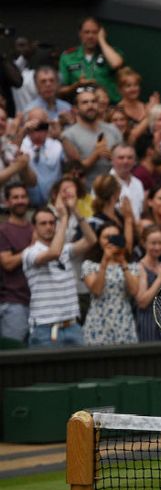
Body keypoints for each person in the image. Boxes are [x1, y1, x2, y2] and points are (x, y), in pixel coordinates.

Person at [23, 201, 97, 347]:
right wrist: (63, 219)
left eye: (52, 222)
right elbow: (54, 252)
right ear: (35, 227)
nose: (48, 226)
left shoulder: (66, 249)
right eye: (43, 223)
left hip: (72, 325)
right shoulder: (29, 253)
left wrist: (75, 211)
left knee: (79, 370)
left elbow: (91, 240)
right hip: (45, 328)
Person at [80, 221, 140, 346]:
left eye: (115, 237)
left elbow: (134, 291)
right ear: (99, 240)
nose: (110, 241)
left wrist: (123, 262)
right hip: (98, 323)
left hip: (123, 321)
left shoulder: (131, 265)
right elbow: (96, 291)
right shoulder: (89, 265)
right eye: (107, 237)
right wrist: (104, 263)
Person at [60, 84, 122, 186]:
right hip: (87, 193)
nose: (90, 105)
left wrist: (113, 157)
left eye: (93, 101)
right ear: (75, 109)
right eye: (85, 102)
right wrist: (96, 154)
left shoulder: (113, 129)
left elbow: (125, 159)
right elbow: (76, 171)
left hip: (114, 189)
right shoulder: (68, 135)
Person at [58, 18, 125, 104]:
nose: (90, 36)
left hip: (110, 108)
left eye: (95, 32)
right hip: (80, 109)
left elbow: (116, 64)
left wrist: (102, 41)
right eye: (87, 32)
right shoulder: (68, 56)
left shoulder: (110, 52)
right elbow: (60, 90)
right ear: (80, 34)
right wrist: (76, 85)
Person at [133, 224, 161, 342]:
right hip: (147, 322)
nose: (157, 247)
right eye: (153, 243)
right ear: (144, 243)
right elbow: (142, 302)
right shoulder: (140, 267)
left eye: (160, 243)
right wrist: (160, 278)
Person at [0, 184, 33, 343]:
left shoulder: (36, 228)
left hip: (38, 303)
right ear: (7, 202)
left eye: (23, 196)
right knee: (13, 355)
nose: (20, 201)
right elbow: (7, 263)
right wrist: (32, 249)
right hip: (14, 304)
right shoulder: (3, 230)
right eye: (15, 197)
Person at [19, 109, 61, 207]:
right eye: (33, 125)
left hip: (54, 205)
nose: (37, 129)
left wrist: (60, 135)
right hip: (25, 205)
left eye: (41, 125)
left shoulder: (57, 145)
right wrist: (22, 132)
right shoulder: (20, 145)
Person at [88, 174, 136, 256]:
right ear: (116, 194)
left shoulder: (119, 214)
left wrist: (130, 216)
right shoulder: (97, 222)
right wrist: (128, 219)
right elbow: (127, 252)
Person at [109, 143, 145, 221]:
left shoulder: (138, 184)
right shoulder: (105, 183)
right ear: (112, 160)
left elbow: (140, 213)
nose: (125, 161)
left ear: (135, 161)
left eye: (130, 158)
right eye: (121, 158)